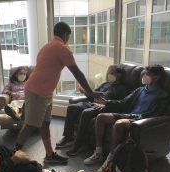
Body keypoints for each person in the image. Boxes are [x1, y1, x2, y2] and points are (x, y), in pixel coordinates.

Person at [14, 21, 103, 164]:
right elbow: (77, 73)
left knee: (45, 124)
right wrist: (90, 92)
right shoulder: (62, 48)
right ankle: (13, 156)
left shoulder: (47, 46)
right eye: (69, 36)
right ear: (65, 34)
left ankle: (49, 154)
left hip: (44, 92)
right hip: (38, 91)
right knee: (30, 124)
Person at [83, 64, 170, 172]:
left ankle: (110, 159)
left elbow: (155, 115)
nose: (145, 76)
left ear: (157, 77)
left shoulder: (162, 95)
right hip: (129, 115)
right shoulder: (140, 90)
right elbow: (124, 102)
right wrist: (107, 103)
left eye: (148, 74)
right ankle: (98, 153)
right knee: (101, 117)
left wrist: (130, 117)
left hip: (140, 120)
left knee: (119, 123)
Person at [56, 65, 129, 150]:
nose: (110, 74)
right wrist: (85, 92)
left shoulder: (123, 88)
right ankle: (68, 137)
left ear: (119, 75)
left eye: (113, 73)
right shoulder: (105, 84)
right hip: (91, 103)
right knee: (72, 107)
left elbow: (120, 104)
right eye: (109, 72)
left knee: (86, 112)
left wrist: (106, 104)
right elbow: (92, 95)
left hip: (103, 107)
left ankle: (78, 144)